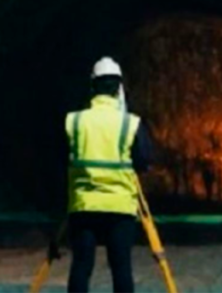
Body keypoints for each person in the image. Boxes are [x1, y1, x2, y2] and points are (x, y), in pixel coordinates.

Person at [64, 57, 153, 293]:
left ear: (92, 86)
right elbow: (144, 160)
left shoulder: (75, 121)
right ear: (119, 87)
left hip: (84, 206)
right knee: (121, 267)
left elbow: (63, 156)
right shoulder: (130, 123)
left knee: (81, 266)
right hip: (119, 208)